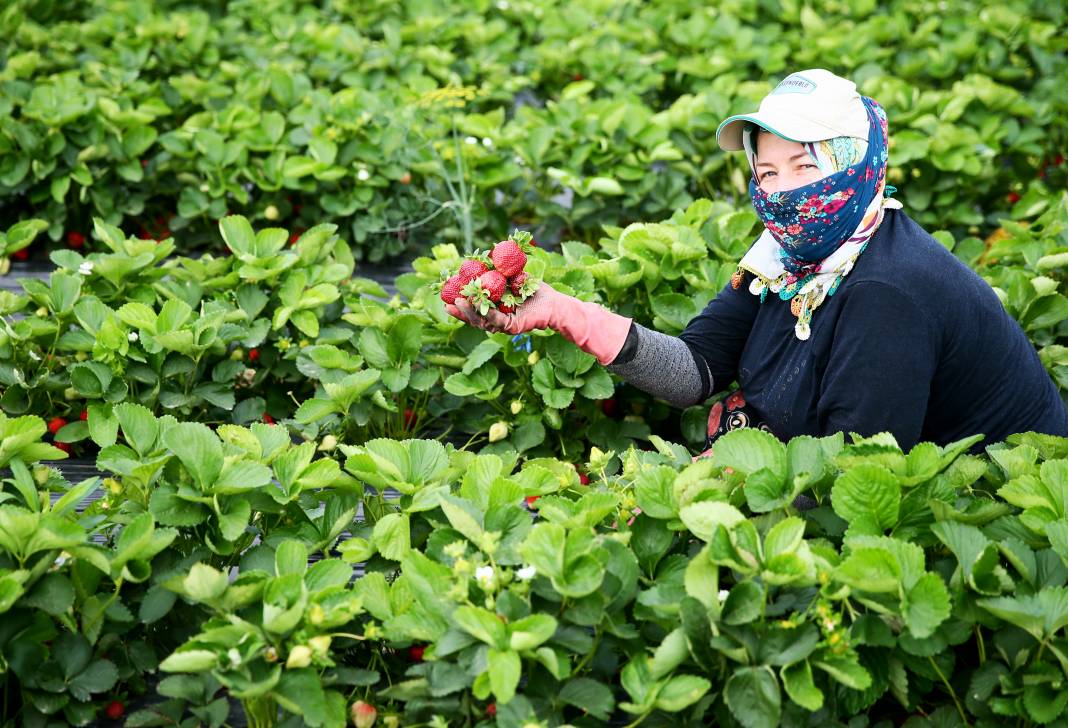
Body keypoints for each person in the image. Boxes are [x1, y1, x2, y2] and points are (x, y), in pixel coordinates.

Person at [446, 69, 1068, 453]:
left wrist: (735, 466)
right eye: (767, 171)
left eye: (807, 167)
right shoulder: (787, 254)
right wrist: (563, 312)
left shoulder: (889, 291)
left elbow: (853, 470)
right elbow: (696, 370)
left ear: (862, 161)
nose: (786, 191)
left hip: (1000, 503)